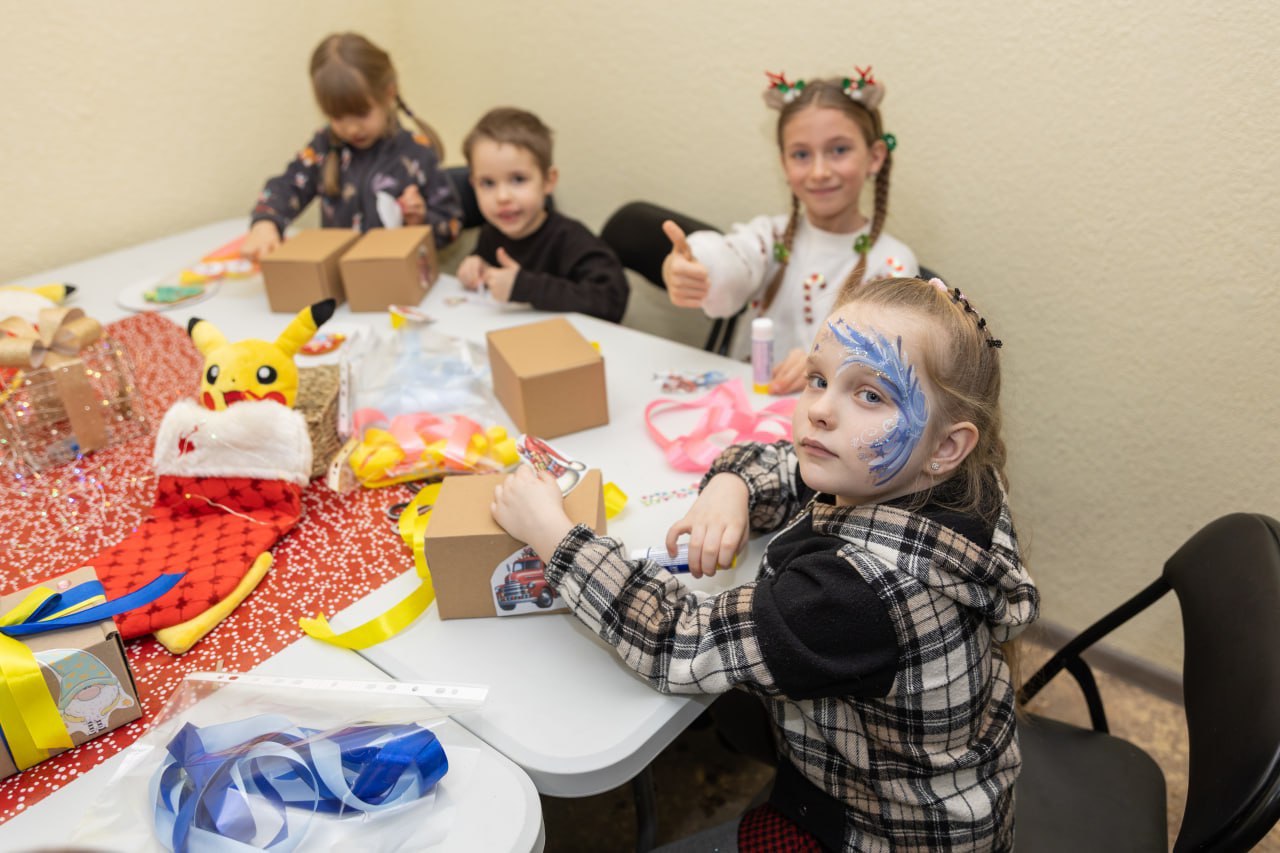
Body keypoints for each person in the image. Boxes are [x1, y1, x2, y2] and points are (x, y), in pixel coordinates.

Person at [491, 277, 1038, 851]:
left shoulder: (855, 596)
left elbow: (676, 639)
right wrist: (731, 483)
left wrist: (554, 537)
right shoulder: (962, 483)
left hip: (880, 833)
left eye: (870, 395)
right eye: (819, 379)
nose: (821, 412)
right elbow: (793, 462)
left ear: (947, 446)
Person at [663, 68, 918, 393]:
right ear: (784, 164)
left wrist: (823, 364)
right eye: (801, 155)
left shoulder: (893, 263)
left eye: (839, 150)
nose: (819, 172)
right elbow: (731, 260)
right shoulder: (770, 237)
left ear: (875, 157)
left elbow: (881, 366)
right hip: (748, 408)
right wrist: (693, 267)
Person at [241, 32, 461, 260]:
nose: (351, 129)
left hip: (397, 282)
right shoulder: (324, 146)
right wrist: (266, 222)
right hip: (340, 284)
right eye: (337, 117)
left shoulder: (417, 152)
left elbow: (452, 225)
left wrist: (421, 219)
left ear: (389, 94)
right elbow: (287, 185)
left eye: (361, 114)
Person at [455, 107, 629, 323]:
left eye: (518, 179)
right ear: (473, 186)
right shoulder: (492, 232)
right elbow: (489, 264)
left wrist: (524, 287)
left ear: (548, 181)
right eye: (488, 183)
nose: (502, 197)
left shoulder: (571, 239)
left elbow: (612, 300)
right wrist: (477, 264)